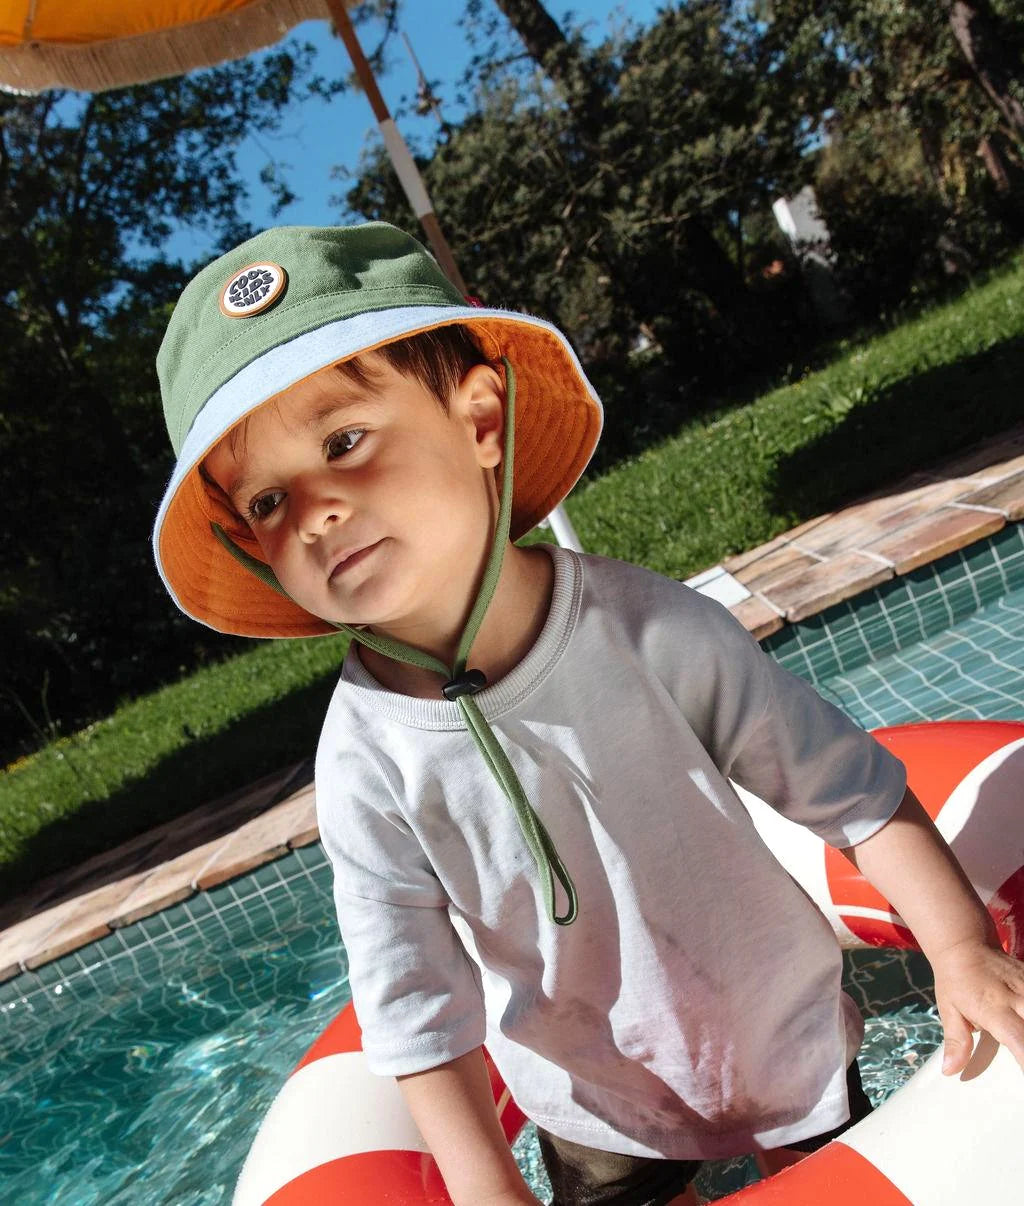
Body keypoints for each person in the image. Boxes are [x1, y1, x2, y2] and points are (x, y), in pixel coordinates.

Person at [153, 222, 1024, 1206]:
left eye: (344, 442)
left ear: (480, 419)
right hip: (590, 1105)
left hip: (778, 1032)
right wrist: (487, 1187)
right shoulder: (365, 767)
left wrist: (961, 949)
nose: (314, 511)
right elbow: (414, 1005)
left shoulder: (648, 630)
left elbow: (847, 788)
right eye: (268, 502)